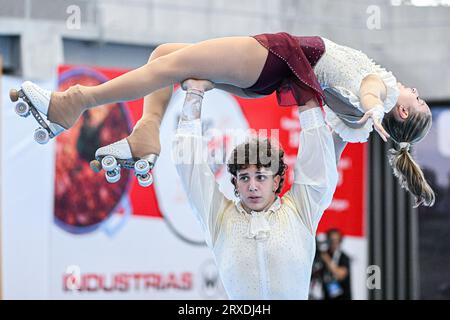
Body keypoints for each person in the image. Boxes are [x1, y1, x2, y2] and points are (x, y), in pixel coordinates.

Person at [12, 32, 434, 206]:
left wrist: (377, 108)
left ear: (401, 110)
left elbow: (370, 91)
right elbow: (323, 162)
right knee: (165, 56)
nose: (415, 93)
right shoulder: (357, 124)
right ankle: (145, 134)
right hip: (271, 74)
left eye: (418, 103)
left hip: (275, 55)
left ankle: (74, 102)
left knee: (164, 67)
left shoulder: (377, 96)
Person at [173, 93, 344, 298]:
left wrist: (303, 90)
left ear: (277, 181)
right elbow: (188, 166)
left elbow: (318, 162)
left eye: (261, 177)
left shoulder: (299, 210)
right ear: (235, 182)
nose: (252, 186)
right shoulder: (218, 217)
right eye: (244, 178)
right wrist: (194, 94)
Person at [319, 228, 352, 300]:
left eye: (336, 240)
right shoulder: (323, 256)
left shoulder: (343, 257)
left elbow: (340, 274)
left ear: (340, 241)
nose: (334, 243)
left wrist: (327, 259)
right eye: (331, 240)